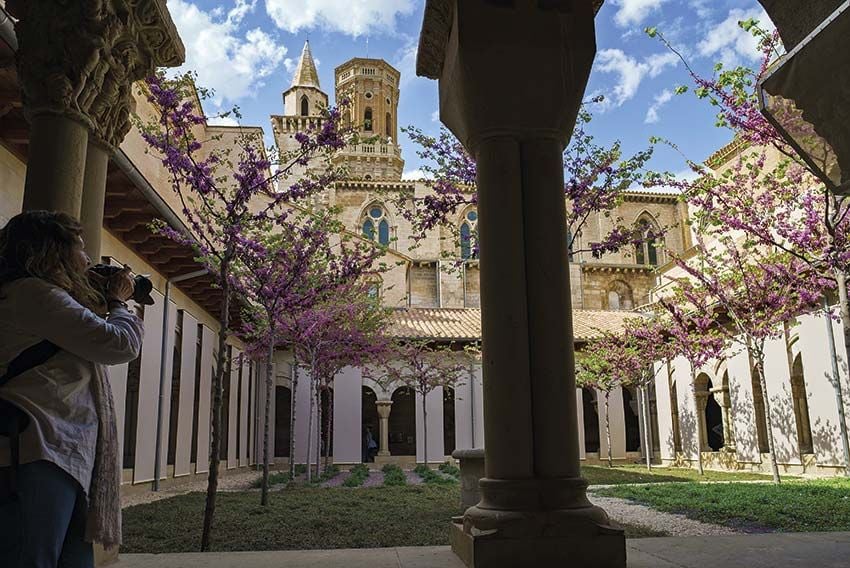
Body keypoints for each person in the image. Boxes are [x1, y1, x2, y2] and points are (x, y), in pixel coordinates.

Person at [0, 211, 144, 568]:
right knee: (32, 556)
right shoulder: (34, 294)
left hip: (58, 449)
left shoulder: (39, 297)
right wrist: (118, 302)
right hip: (38, 446)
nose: (87, 259)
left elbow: (81, 332)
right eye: (79, 249)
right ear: (53, 253)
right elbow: (120, 343)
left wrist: (90, 294)